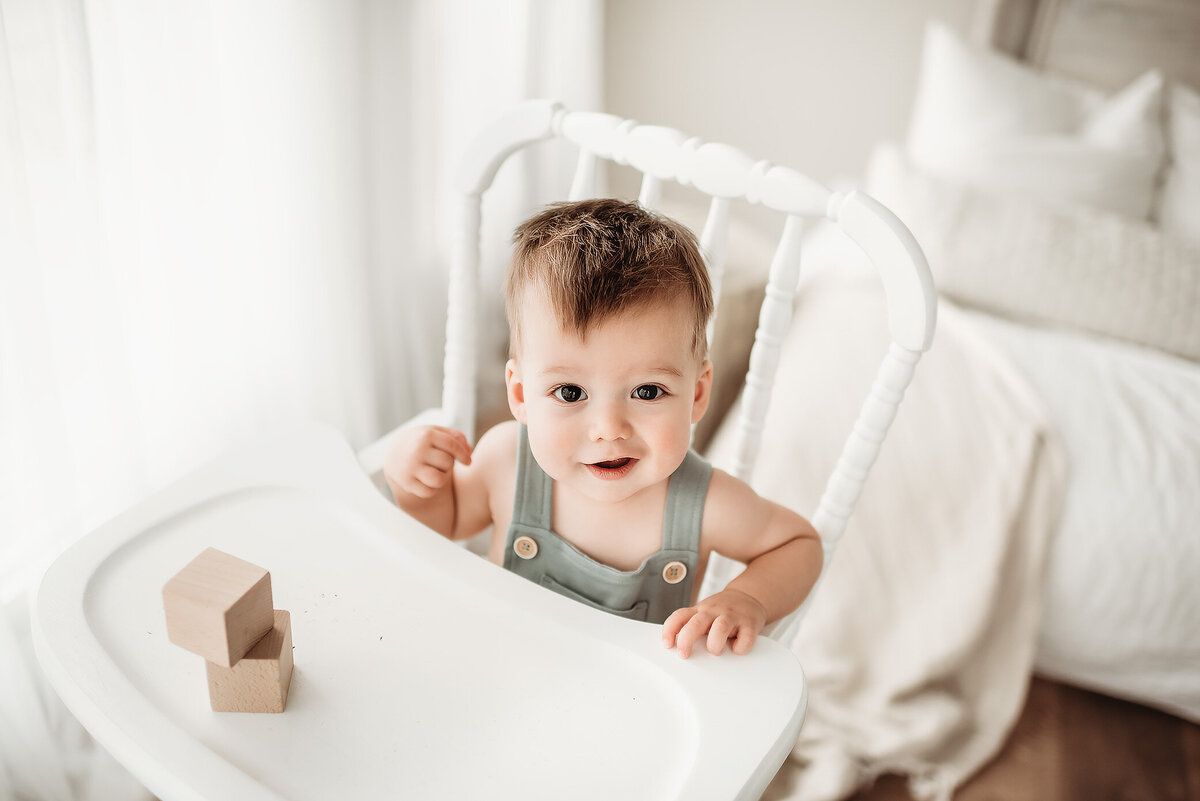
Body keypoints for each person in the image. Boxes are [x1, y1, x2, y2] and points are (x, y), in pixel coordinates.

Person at [384, 198, 822, 658]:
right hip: (500, 666)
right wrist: (416, 486)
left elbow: (799, 544)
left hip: (624, 707)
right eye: (571, 393)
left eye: (647, 392)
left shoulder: (703, 504)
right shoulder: (506, 464)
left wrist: (746, 598)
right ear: (520, 396)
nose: (609, 430)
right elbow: (446, 523)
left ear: (696, 393)